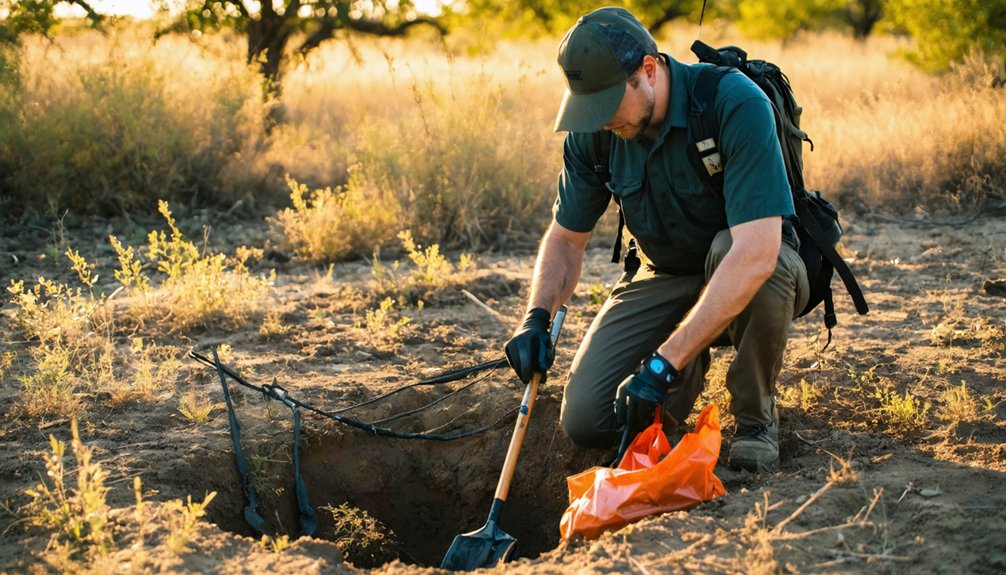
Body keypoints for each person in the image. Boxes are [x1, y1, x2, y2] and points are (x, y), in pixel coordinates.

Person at [504, 7, 809, 473]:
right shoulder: (595, 133)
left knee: (740, 255)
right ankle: (685, 368)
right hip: (663, 271)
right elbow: (565, 240)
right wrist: (536, 317)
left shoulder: (734, 102)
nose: (600, 121)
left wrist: (664, 363)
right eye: (589, 106)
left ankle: (755, 419)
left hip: (751, 266)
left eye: (608, 103)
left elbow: (757, 252)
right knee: (587, 420)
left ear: (648, 70)